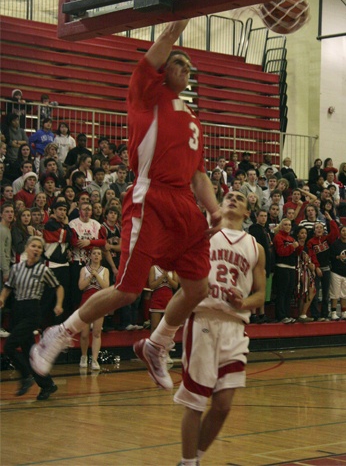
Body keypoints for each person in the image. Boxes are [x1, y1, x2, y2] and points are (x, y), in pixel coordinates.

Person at [30, 20, 222, 390]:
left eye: (188, 67)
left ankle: (157, 344)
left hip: (184, 202)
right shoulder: (146, 94)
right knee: (128, 290)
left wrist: (213, 209)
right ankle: (61, 332)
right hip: (150, 197)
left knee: (199, 287)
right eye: (178, 63)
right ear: (164, 69)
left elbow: (199, 175)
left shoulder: (194, 120)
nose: (185, 69)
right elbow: (165, 40)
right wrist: (182, 16)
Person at [173, 190, 265, 466]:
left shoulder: (255, 247)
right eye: (229, 196)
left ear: (247, 212)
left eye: (240, 197)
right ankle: (189, 463)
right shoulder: (206, 235)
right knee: (196, 401)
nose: (233, 198)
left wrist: (244, 301)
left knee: (223, 405)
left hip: (235, 326)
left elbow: (260, 295)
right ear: (221, 206)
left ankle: (194, 459)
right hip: (203, 319)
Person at [0, 236, 63, 400]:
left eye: (39, 248)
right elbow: (8, 288)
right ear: (26, 248)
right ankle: (47, 385)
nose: (36, 249)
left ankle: (26, 376)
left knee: (8, 347)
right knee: (30, 353)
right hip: (17, 310)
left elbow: (58, 287)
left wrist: (59, 304)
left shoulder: (43, 270)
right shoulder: (16, 268)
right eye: (33, 246)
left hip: (32, 311)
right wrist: (2, 299)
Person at [78, 247, 110, 370]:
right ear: (90, 256)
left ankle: (95, 359)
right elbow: (81, 286)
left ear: (101, 257)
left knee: (97, 333)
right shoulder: (84, 269)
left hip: (99, 302)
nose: (96, 256)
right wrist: (90, 276)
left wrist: (97, 275)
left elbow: (106, 286)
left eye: (98, 254)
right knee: (84, 334)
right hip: (86, 302)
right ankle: (84, 356)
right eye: (94, 253)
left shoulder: (105, 270)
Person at [307, 213, 339, 320]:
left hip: (327, 269)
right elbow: (312, 255)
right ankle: (315, 315)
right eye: (317, 228)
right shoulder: (311, 242)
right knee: (315, 294)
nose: (319, 229)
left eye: (321, 227)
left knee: (326, 294)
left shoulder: (326, 239)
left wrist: (330, 220)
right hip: (316, 270)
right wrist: (316, 267)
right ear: (314, 230)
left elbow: (335, 232)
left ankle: (324, 314)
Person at [273, 218, 302, 323]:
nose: (288, 226)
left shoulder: (291, 238)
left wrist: (299, 247)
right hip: (281, 267)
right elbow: (281, 252)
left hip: (291, 267)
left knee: (289, 293)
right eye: (285, 224)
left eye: (289, 225)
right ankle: (280, 316)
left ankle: (286, 314)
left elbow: (296, 253)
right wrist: (292, 247)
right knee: (282, 292)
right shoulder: (278, 237)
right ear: (281, 226)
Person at [0, 203, 14, 337]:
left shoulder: (6, 229)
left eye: (12, 212)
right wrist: (5, 270)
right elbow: (1, 252)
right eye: (7, 212)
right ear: (1, 214)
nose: (10, 214)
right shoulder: (2, 230)